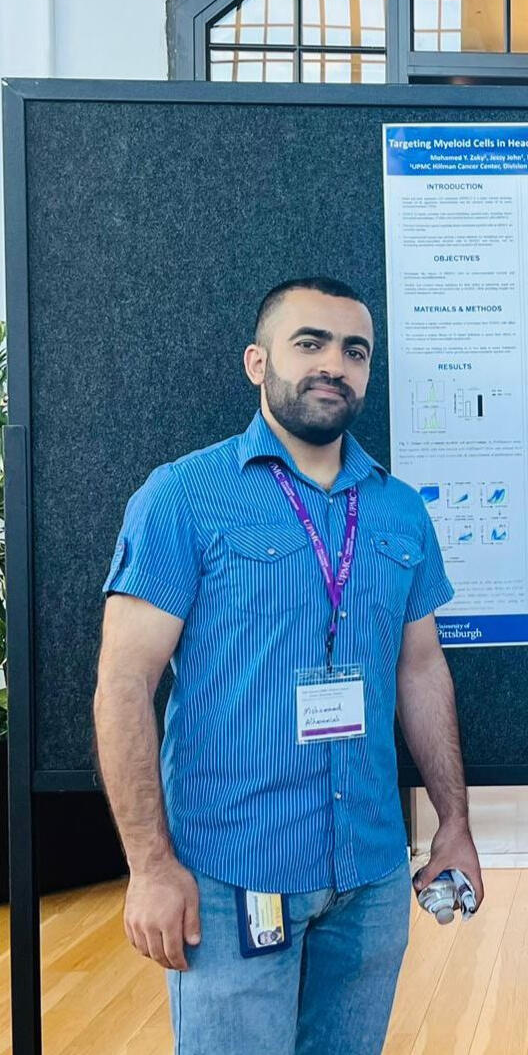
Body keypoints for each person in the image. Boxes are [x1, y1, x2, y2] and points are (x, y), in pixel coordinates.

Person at [93, 276, 483, 1055]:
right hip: (232, 875)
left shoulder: (400, 509)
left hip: (370, 874)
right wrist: (150, 866)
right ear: (257, 361)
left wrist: (455, 824)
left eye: (354, 351)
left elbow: (421, 671)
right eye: (310, 343)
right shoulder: (183, 496)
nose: (333, 364)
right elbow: (123, 684)